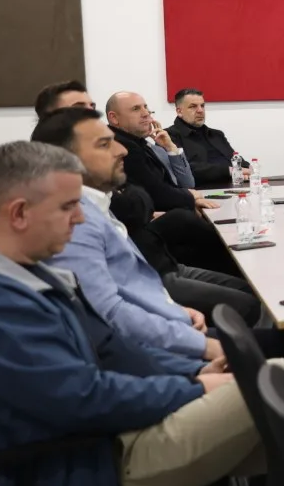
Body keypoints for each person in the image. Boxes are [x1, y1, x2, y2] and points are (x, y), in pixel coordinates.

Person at [0, 142, 284, 486]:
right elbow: (81, 400)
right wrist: (194, 388)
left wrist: (191, 371)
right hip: (93, 464)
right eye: (68, 207)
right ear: (18, 213)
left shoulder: (19, 274)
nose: (80, 218)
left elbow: (108, 351)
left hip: (114, 432)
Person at [32, 106, 262, 356]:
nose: (121, 150)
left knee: (253, 300)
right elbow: (112, 317)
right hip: (157, 344)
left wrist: (172, 310)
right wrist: (201, 348)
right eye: (104, 144)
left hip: (161, 298)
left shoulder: (101, 198)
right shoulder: (77, 220)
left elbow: (171, 189)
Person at [103, 91, 243, 277]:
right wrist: (189, 198)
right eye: (136, 109)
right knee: (183, 220)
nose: (146, 114)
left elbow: (181, 183)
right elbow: (157, 191)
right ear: (114, 118)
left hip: (162, 209)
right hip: (142, 226)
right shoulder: (124, 146)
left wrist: (169, 148)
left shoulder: (144, 142)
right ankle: (241, 265)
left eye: (146, 108)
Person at [166, 88, 240, 187]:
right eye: (193, 106)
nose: (200, 110)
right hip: (200, 190)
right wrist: (229, 170)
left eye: (202, 106)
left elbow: (236, 160)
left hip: (235, 186)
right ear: (179, 111)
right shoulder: (169, 136)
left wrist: (249, 169)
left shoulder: (217, 135)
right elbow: (186, 170)